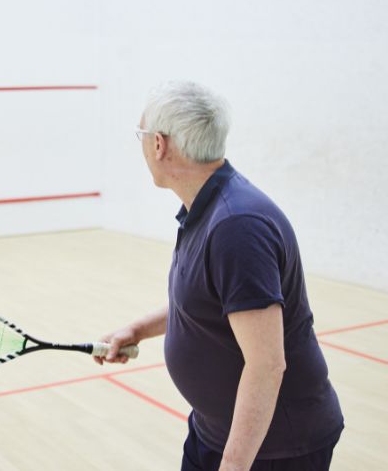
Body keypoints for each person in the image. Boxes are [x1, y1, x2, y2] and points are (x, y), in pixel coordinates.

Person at [95, 82, 343, 470]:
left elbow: (267, 363)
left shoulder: (237, 227)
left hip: (275, 450)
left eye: (141, 136)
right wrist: (139, 329)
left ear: (159, 145)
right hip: (214, 431)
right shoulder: (207, 208)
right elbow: (205, 301)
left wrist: (233, 464)